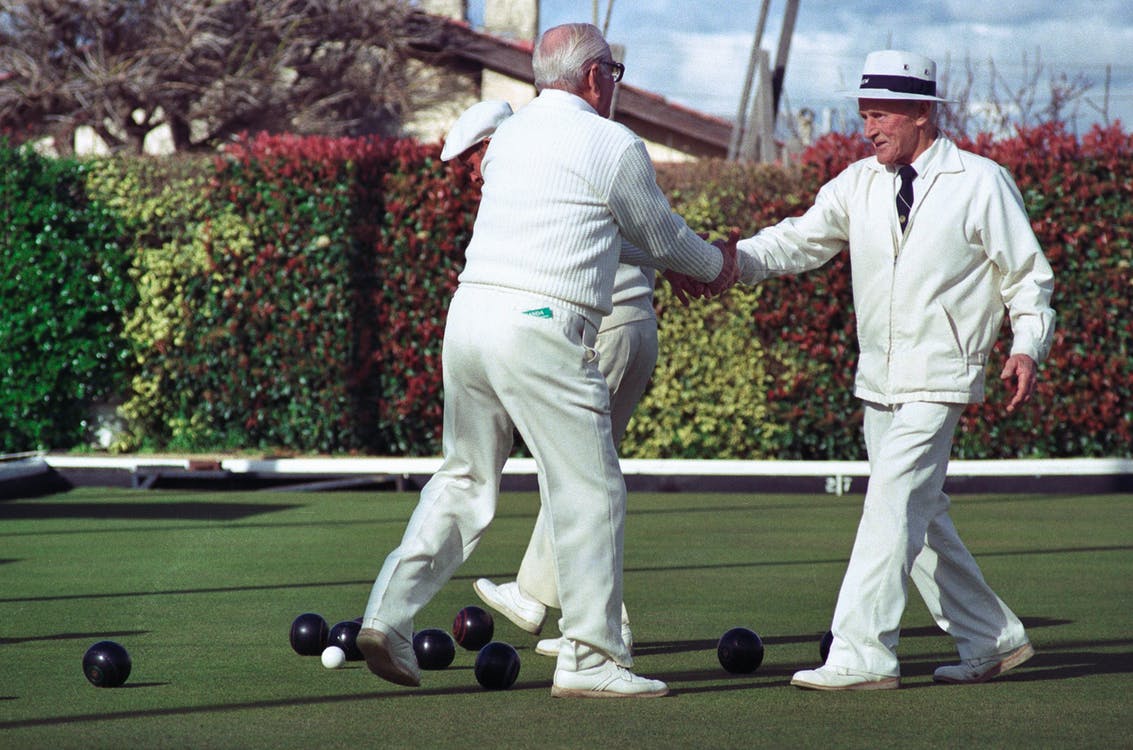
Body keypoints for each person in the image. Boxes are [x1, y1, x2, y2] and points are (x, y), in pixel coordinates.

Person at [356, 22, 737, 699]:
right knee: (589, 490)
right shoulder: (613, 143)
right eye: (613, 73)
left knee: (463, 480)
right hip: (540, 324)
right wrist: (715, 266)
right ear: (595, 78)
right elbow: (660, 234)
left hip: (468, 318)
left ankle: (387, 615)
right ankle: (589, 657)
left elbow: (587, 230)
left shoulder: (509, 141)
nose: (615, 86)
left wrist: (674, 259)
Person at [714, 49, 1054, 690]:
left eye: (879, 115)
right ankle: (992, 637)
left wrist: (1027, 345)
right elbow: (798, 239)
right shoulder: (858, 182)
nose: (867, 129)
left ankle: (863, 653)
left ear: (921, 113)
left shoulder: (981, 182)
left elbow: (1027, 278)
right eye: (863, 115)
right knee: (916, 516)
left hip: (942, 375)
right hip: (879, 381)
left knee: (892, 505)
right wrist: (730, 261)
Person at [441, 102, 652, 658]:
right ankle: (549, 600)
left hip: (604, 331)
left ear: (497, 141)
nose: (468, 171)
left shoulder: (538, 166)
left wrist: (696, 263)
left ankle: (604, 628)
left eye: (471, 156)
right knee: (579, 476)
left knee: (581, 480)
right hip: (621, 327)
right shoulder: (554, 161)